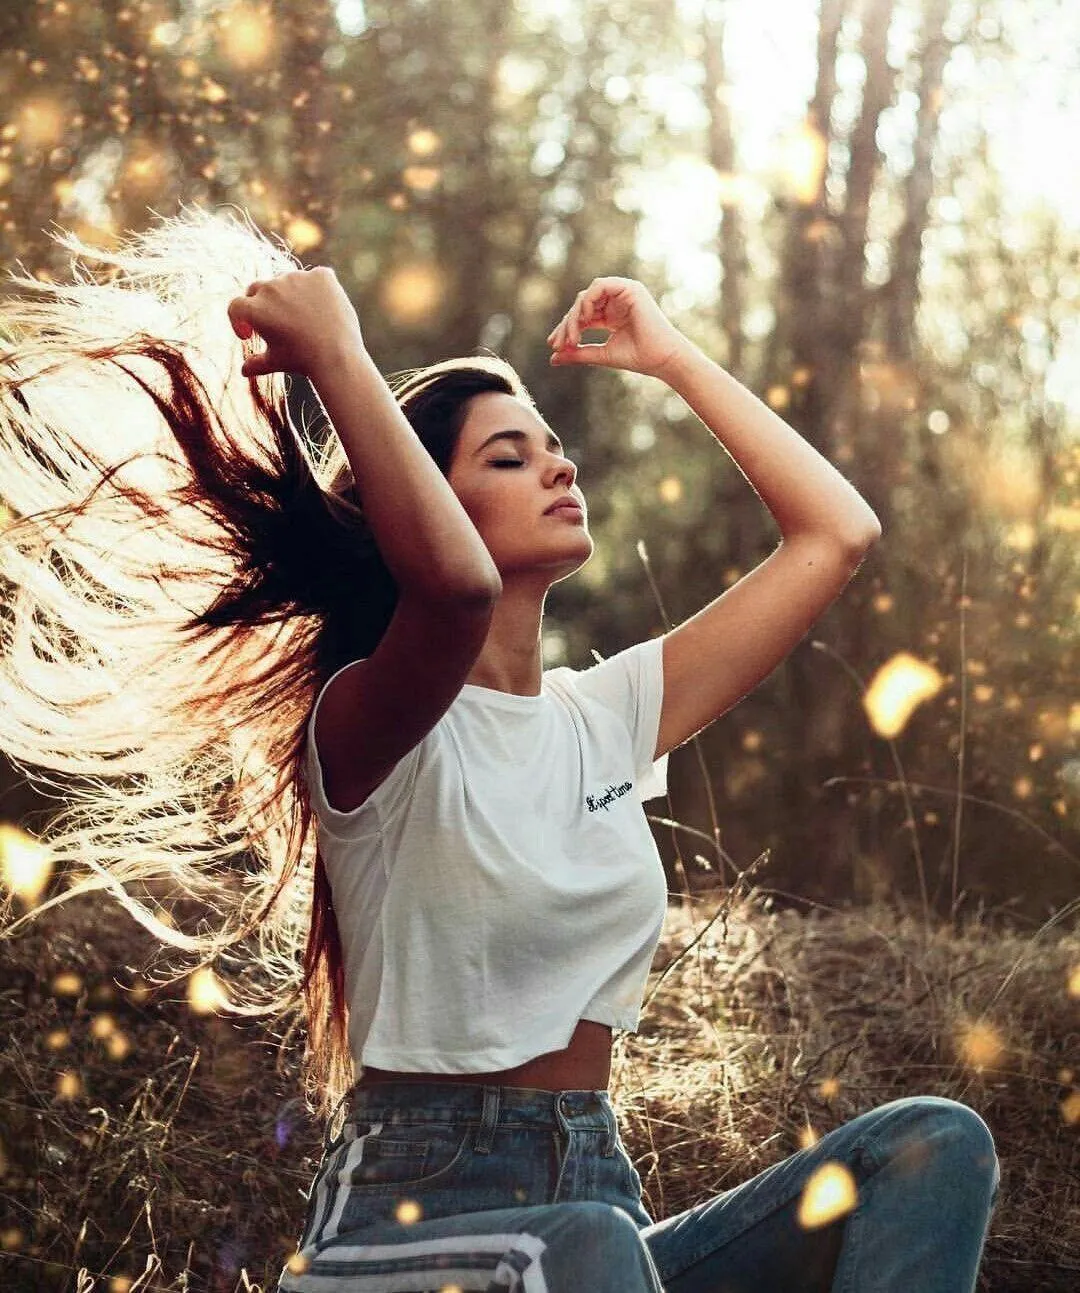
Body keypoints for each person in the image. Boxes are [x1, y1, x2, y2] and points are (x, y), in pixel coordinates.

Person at [0, 209, 997, 1292]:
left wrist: (670, 360)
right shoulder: (369, 721)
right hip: (406, 1221)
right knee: (587, 1248)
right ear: (429, 503)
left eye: (556, 449)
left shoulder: (604, 717)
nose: (559, 469)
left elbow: (836, 534)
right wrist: (340, 356)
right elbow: (456, 590)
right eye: (510, 457)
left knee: (931, 1145)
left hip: (597, 1200)